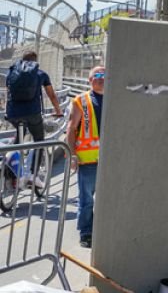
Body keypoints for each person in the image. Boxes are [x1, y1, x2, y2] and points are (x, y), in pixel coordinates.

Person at [5, 51, 63, 184]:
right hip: (32, 113)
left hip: (13, 113)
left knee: (19, 136)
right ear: (35, 61)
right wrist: (58, 111)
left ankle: (11, 168)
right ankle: (33, 175)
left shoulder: (12, 73)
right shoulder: (40, 73)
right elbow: (52, 96)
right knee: (39, 140)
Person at [65, 65, 105, 248]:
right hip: (88, 161)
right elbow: (71, 129)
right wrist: (72, 155)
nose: (101, 77)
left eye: (104, 74)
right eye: (97, 75)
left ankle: (102, 230)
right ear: (90, 80)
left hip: (111, 161)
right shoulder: (81, 100)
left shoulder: (116, 99)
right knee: (87, 200)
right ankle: (86, 233)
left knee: (107, 198)